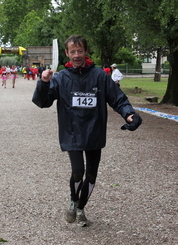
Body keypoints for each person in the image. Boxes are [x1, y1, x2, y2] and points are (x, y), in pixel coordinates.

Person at [32, 35, 142, 227]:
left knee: (91, 176)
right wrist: (43, 83)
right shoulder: (61, 78)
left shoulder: (99, 76)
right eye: (72, 51)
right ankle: (73, 201)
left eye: (80, 51)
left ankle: (81, 208)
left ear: (86, 52)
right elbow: (43, 102)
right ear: (66, 53)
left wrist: (129, 114)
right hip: (71, 132)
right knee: (78, 172)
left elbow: (118, 99)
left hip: (94, 132)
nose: (76, 55)